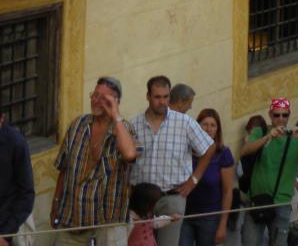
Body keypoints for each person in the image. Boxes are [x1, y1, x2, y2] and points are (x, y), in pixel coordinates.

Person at [52, 77, 138, 246]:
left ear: (116, 102)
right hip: (72, 217)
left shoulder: (124, 130)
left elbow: (129, 154)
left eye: (104, 98)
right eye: (95, 95)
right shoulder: (78, 125)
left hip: (108, 221)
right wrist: (55, 204)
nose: (96, 101)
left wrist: (116, 116)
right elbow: (64, 168)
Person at [131, 76, 215, 246]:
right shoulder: (134, 124)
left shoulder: (184, 122)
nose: (162, 102)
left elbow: (209, 148)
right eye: (157, 97)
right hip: (141, 200)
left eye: (166, 97)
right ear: (148, 96)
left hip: (172, 198)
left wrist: (193, 180)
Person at [241, 98, 298, 246]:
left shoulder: (296, 138)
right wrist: (268, 137)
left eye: (285, 115)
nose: (281, 119)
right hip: (257, 200)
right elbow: (245, 150)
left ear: (289, 115)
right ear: (270, 115)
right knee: (250, 242)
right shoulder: (261, 131)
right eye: (277, 115)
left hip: (282, 202)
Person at [182, 109, 234, 246]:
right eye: (205, 124)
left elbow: (228, 191)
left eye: (213, 125)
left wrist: (223, 224)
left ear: (218, 129)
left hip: (210, 217)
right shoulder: (186, 151)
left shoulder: (223, 154)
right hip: (184, 214)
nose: (209, 129)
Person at [0, 108, 34, 246]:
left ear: (2, 118)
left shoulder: (16, 143)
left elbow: (27, 194)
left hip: (8, 226)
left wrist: (5, 235)